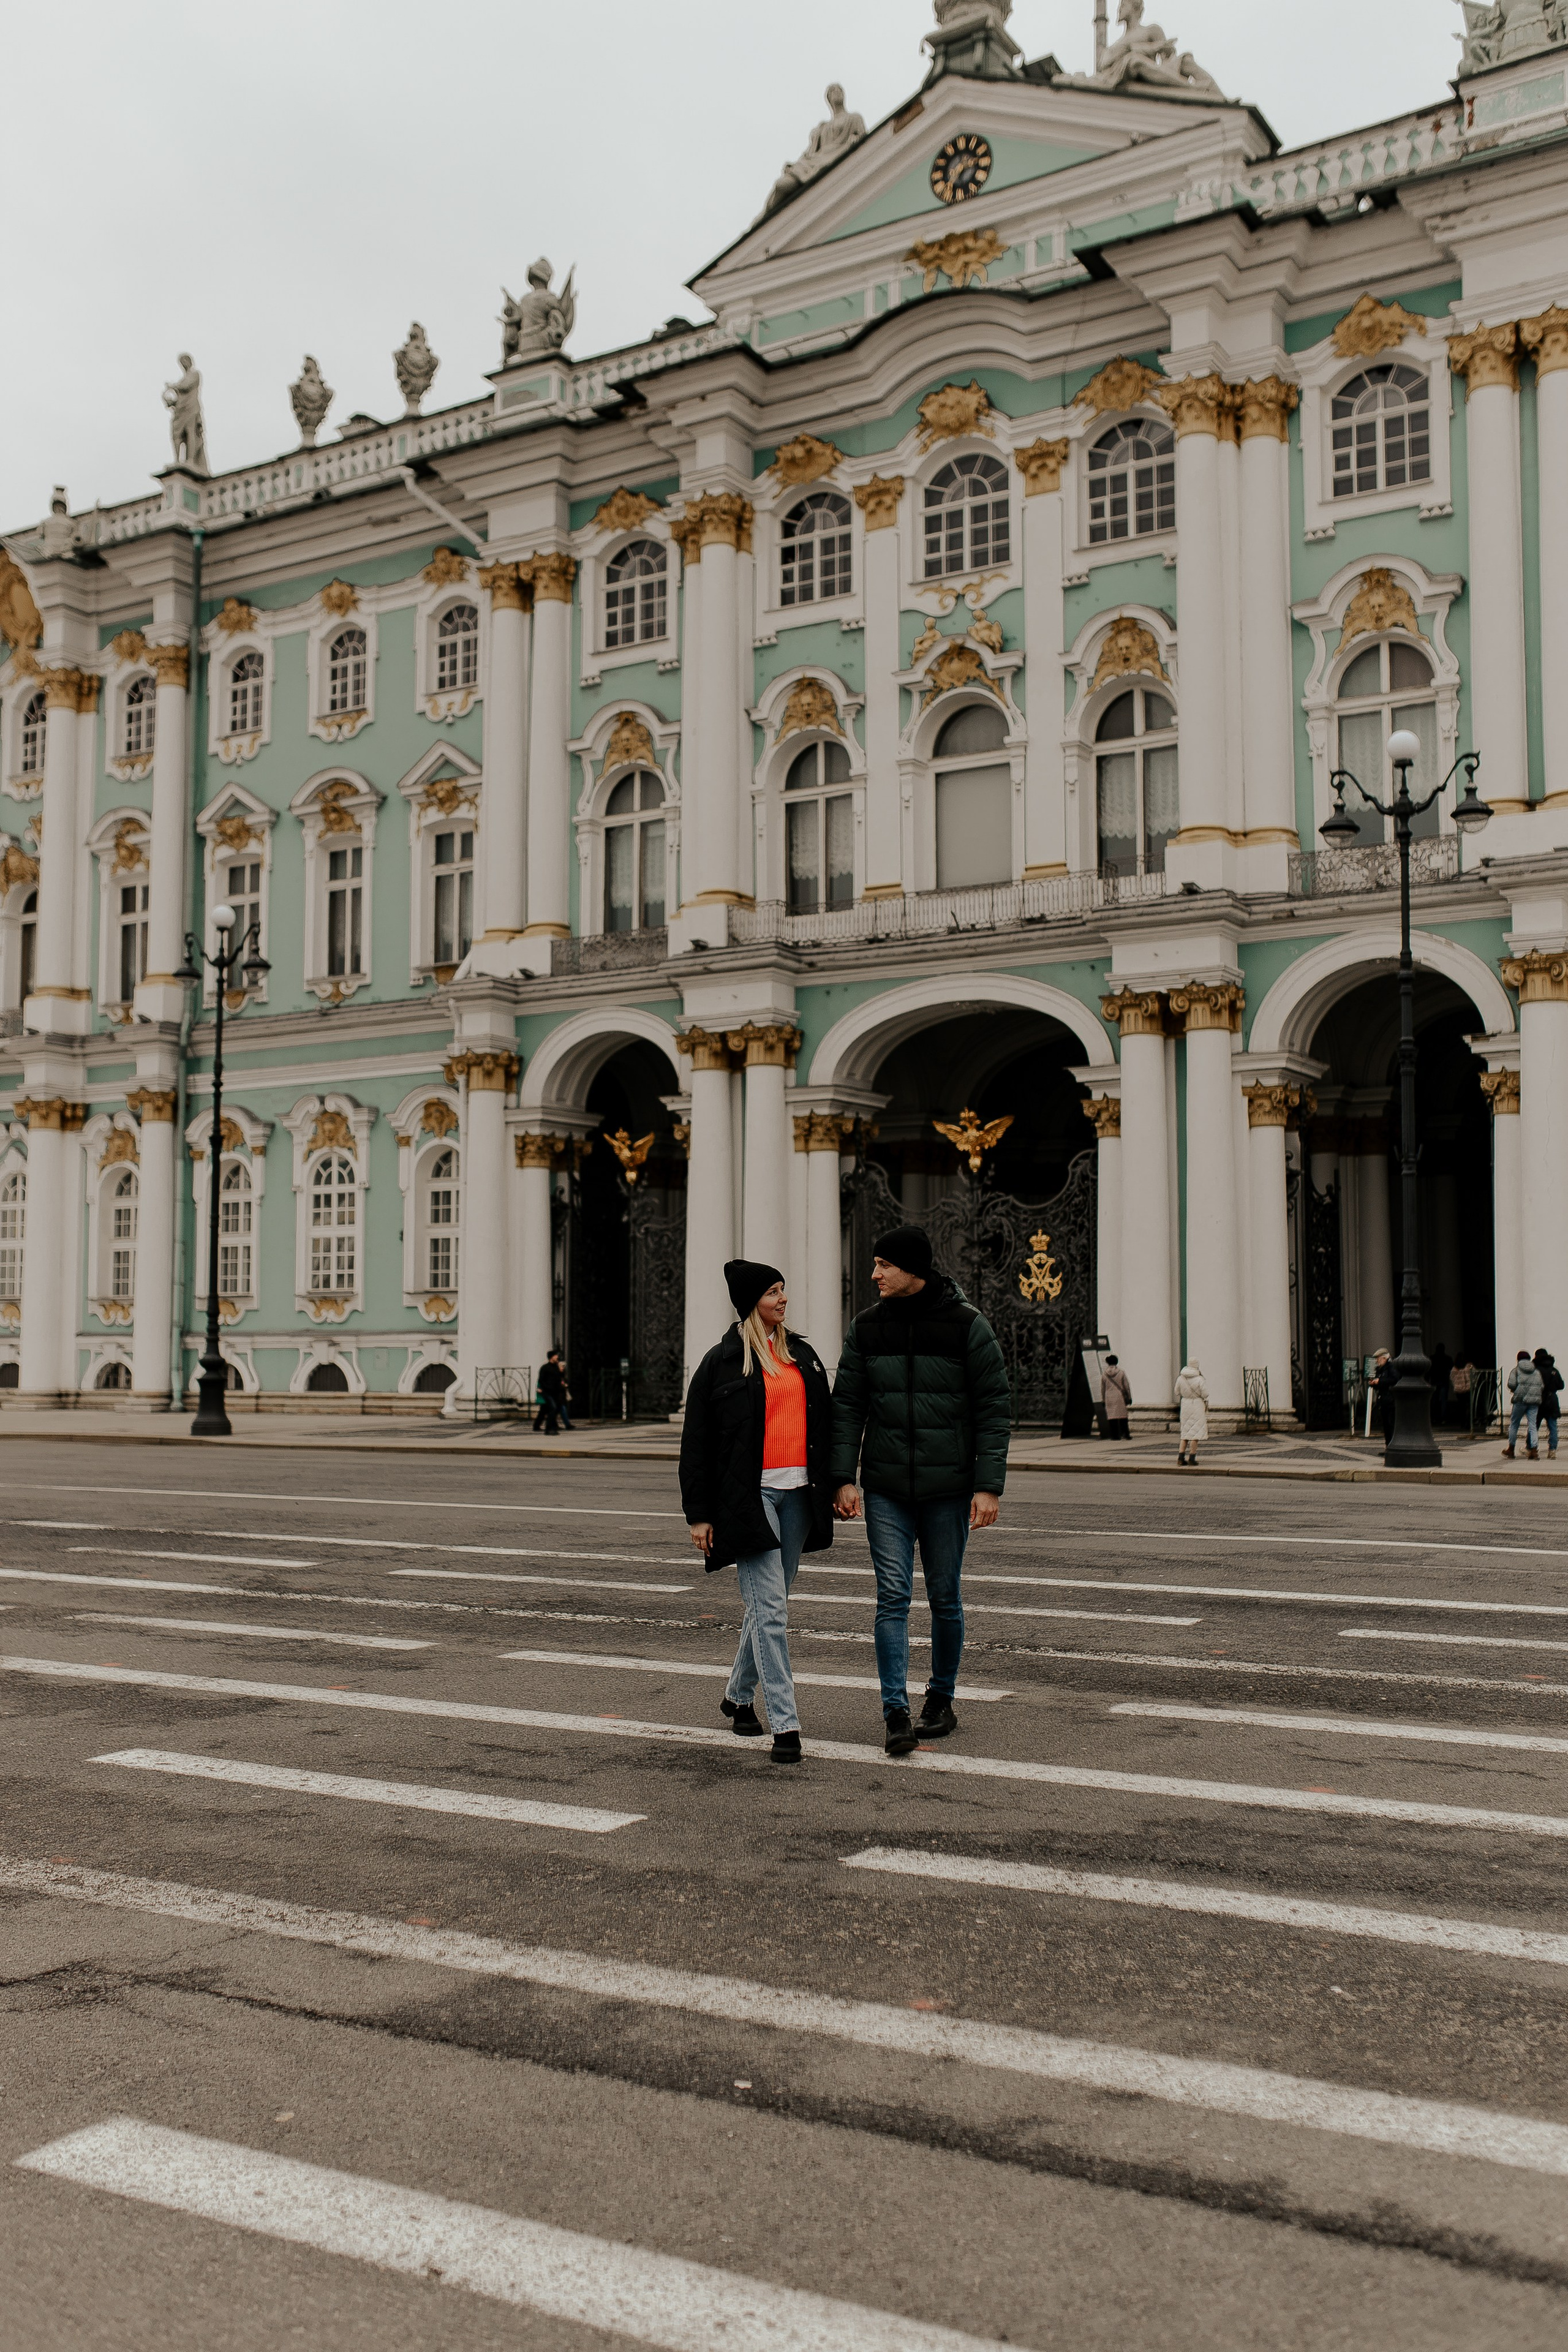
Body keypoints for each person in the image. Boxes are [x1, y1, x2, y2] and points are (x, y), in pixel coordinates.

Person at [829, 1224, 1010, 1757]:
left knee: (945, 1596)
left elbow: (994, 1410)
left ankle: (941, 1699)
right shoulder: (866, 1329)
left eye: (884, 1264)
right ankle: (895, 1711)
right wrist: (843, 1476)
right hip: (886, 1487)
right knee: (892, 1596)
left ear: (914, 1269)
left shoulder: (967, 1326)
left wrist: (988, 1486)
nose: (874, 1273)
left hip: (949, 1488)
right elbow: (847, 1409)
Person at [679, 1260, 835, 1765]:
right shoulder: (722, 1362)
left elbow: (826, 1428)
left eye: (783, 1290)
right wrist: (699, 1515)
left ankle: (738, 1697)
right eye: (773, 1292)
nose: (783, 1299)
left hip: (798, 1497)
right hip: (750, 1500)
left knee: (770, 1603)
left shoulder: (802, 1355)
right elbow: (696, 1444)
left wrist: (837, 1485)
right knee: (771, 1611)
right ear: (752, 1302)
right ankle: (786, 1726)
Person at [1504, 1349, 1544, 1459]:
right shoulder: (1536, 1371)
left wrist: (1518, 1389)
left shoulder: (1516, 1371)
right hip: (1534, 1402)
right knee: (1533, 1425)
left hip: (1520, 1401)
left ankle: (1511, 1449)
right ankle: (1534, 1451)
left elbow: (1511, 1384)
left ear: (1518, 1360)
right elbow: (1541, 1386)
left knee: (1514, 1424)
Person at [1175, 1360, 1208, 1466]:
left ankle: (1181, 1457)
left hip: (1185, 1405)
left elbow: (1177, 1392)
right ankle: (1192, 1458)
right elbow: (1206, 1393)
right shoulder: (1200, 1379)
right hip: (1197, 1405)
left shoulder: (1181, 1378)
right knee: (1196, 1433)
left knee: (1185, 1432)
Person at [1533, 1347, 1562, 1460]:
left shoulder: (1536, 1371)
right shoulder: (1554, 1370)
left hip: (1540, 1401)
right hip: (1553, 1400)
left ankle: (1532, 1447)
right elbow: (1561, 1386)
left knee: (1534, 1426)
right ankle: (1552, 1450)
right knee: (1553, 1426)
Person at [533, 1348, 566, 1435]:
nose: (557, 1357)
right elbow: (541, 1380)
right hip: (547, 1392)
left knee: (548, 1410)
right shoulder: (545, 1368)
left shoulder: (556, 1367)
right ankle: (549, 1429)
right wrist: (546, 1388)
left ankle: (545, 1427)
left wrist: (561, 1371)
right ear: (551, 1357)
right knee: (553, 1408)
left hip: (555, 1392)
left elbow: (560, 1378)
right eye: (556, 1356)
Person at [1101, 1354, 1132, 1438]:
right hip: (1120, 1396)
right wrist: (1129, 1397)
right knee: (1123, 1416)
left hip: (1109, 1397)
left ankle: (1115, 1435)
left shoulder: (1104, 1374)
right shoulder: (1121, 1373)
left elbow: (1103, 1388)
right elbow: (1126, 1386)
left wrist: (1103, 1400)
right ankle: (1126, 1434)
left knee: (1112, 1417)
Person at [1372, 1347, 1398, 1444]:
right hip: (1383, 1400)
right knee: (1386, 1426)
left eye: (1378, 1358)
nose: (1377, 1361)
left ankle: (1392, 1446)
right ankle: (1388, 1446)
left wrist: (1380, 1381)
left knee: (1391, 1425)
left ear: (1384, 1358)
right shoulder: (1380, 1369)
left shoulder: (1391, 1367)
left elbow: (1395, 1380)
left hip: (1391, 1400)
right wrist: (1375, 1383)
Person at [1450, 1352, 1472, 1433]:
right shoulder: (1468, 1367)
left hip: (1458, 1390)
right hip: (1467, 1390)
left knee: (1462, 1407)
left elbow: (1452, 1379)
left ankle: (1463, 1423)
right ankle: (1468, 1423)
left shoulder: (1454, 1368)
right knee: (1468, 1407)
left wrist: (1457, 1385)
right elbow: (1470, 1378)